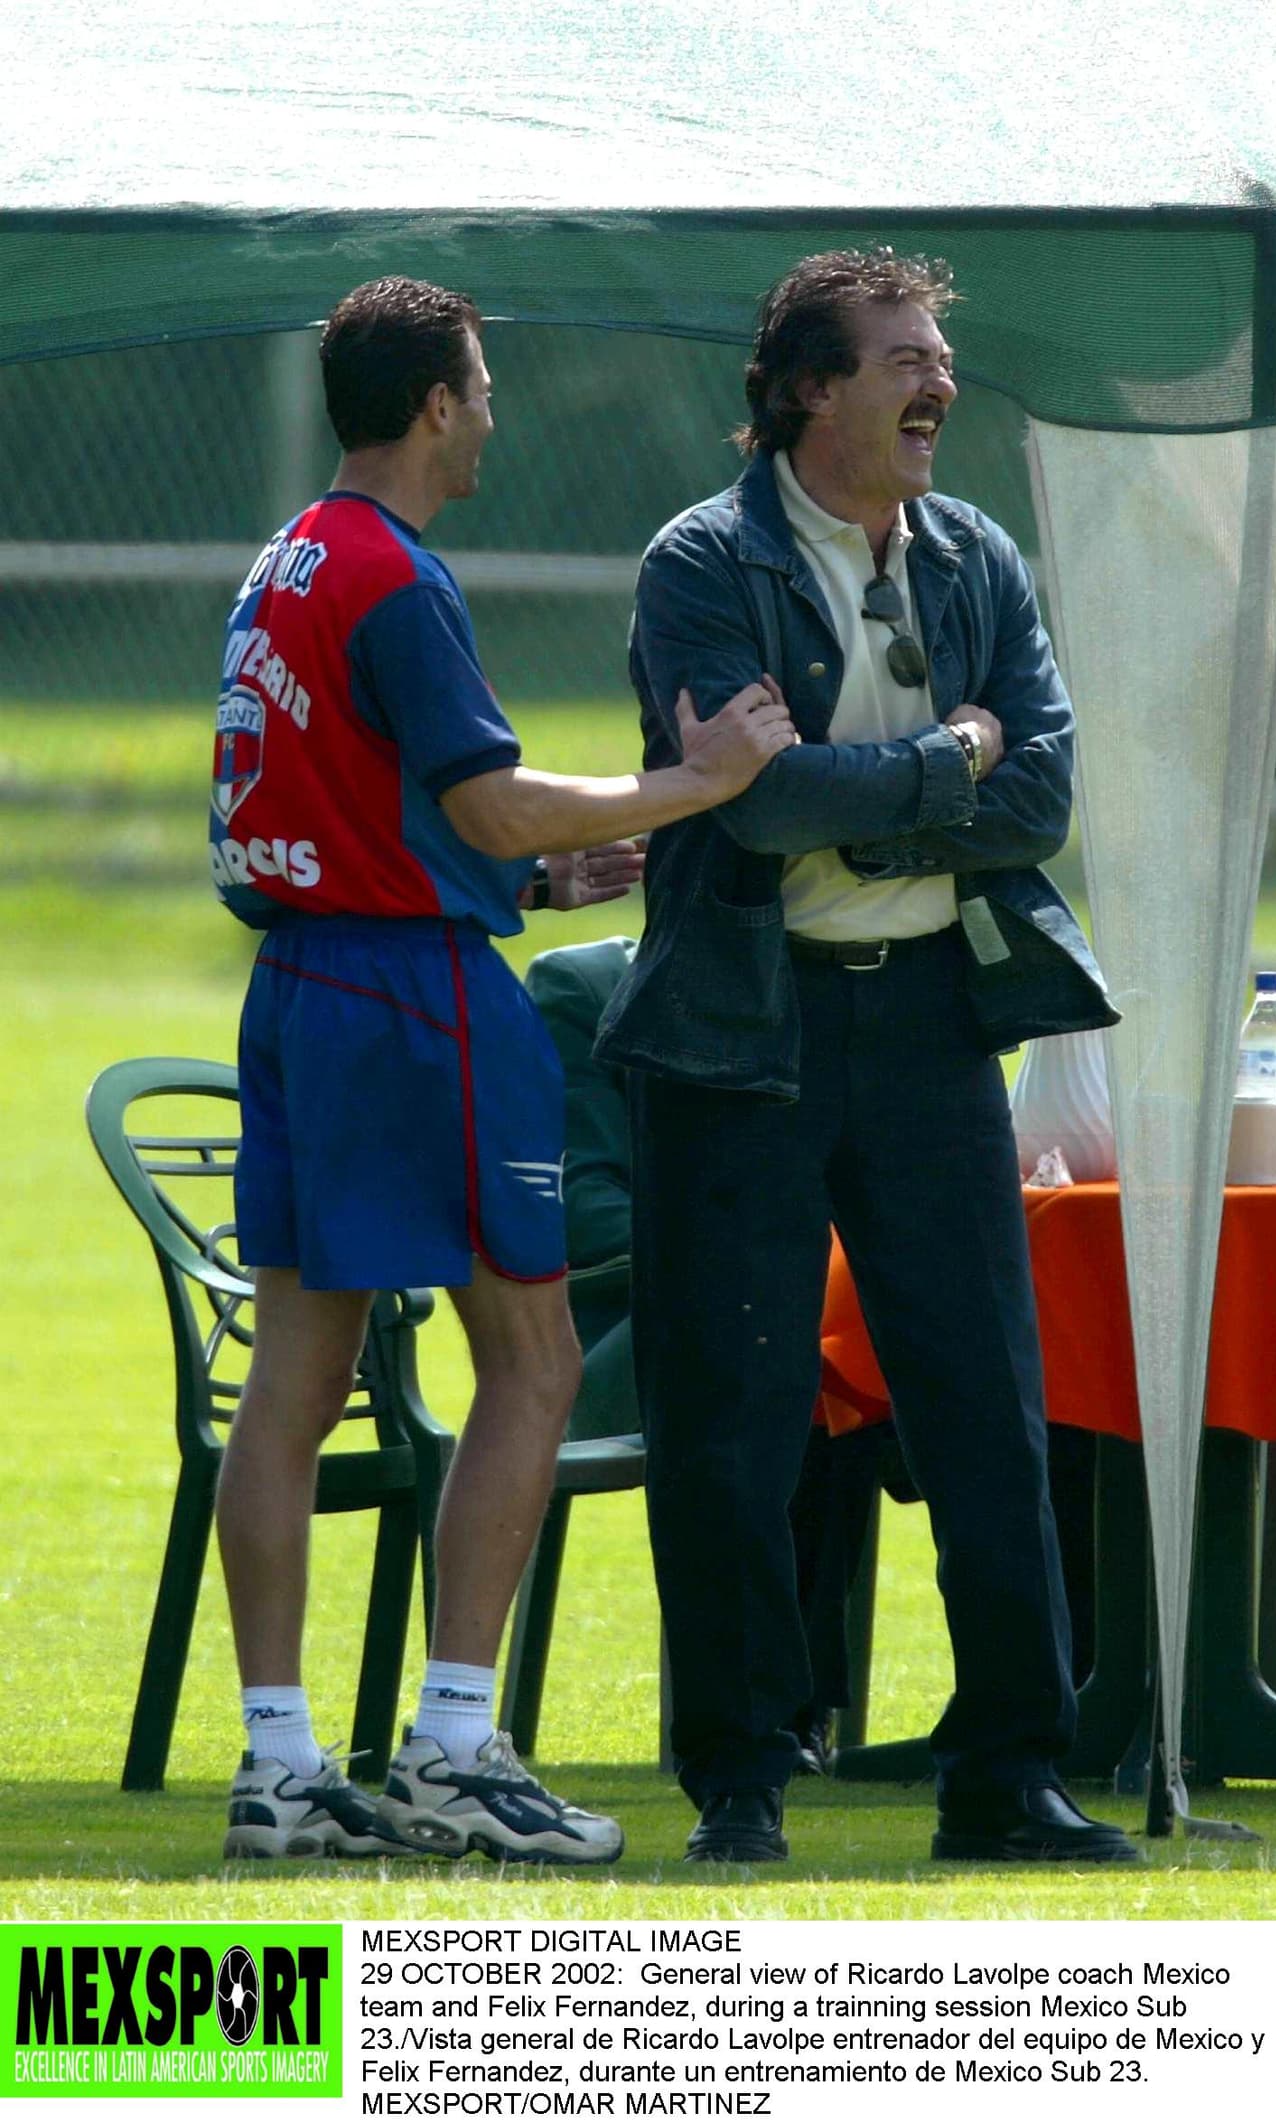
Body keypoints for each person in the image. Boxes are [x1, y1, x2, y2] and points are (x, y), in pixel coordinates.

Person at [209, 274, 796, 1866]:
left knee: (295, 1379)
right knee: (533, 1358)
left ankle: (279, 1770)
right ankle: (456, 1749)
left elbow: (377, 810)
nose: (491, 417)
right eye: (479, 389)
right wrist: (697, 780)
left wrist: (524, 886)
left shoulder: (287, 555)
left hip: (301, 985)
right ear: (433, 405)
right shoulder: (395, 575)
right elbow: (494, 803)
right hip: (412, 1002)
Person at [596, 246, 1139, 1864]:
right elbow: (758, 803)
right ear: (807, 391)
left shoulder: (976, 556)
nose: (938, 383)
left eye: (937, 356)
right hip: (740, 1035)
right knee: (736, 1421)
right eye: (903, 357)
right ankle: (743, 1783)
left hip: (929, 1028)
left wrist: (891, 787)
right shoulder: (703, 561)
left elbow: (1042, 795)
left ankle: (1012, 1777)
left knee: (988, 1405)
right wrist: (948, 756)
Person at [527, 936, 910, 1773]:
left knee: (1049, 1358)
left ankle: (1080, 1695)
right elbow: (580, 1204)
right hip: (640, 1332)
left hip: (833, 1315)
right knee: (786, 1344)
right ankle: (782, 1712)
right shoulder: (583, 986)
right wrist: (751, 1245)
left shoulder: (859, 985)